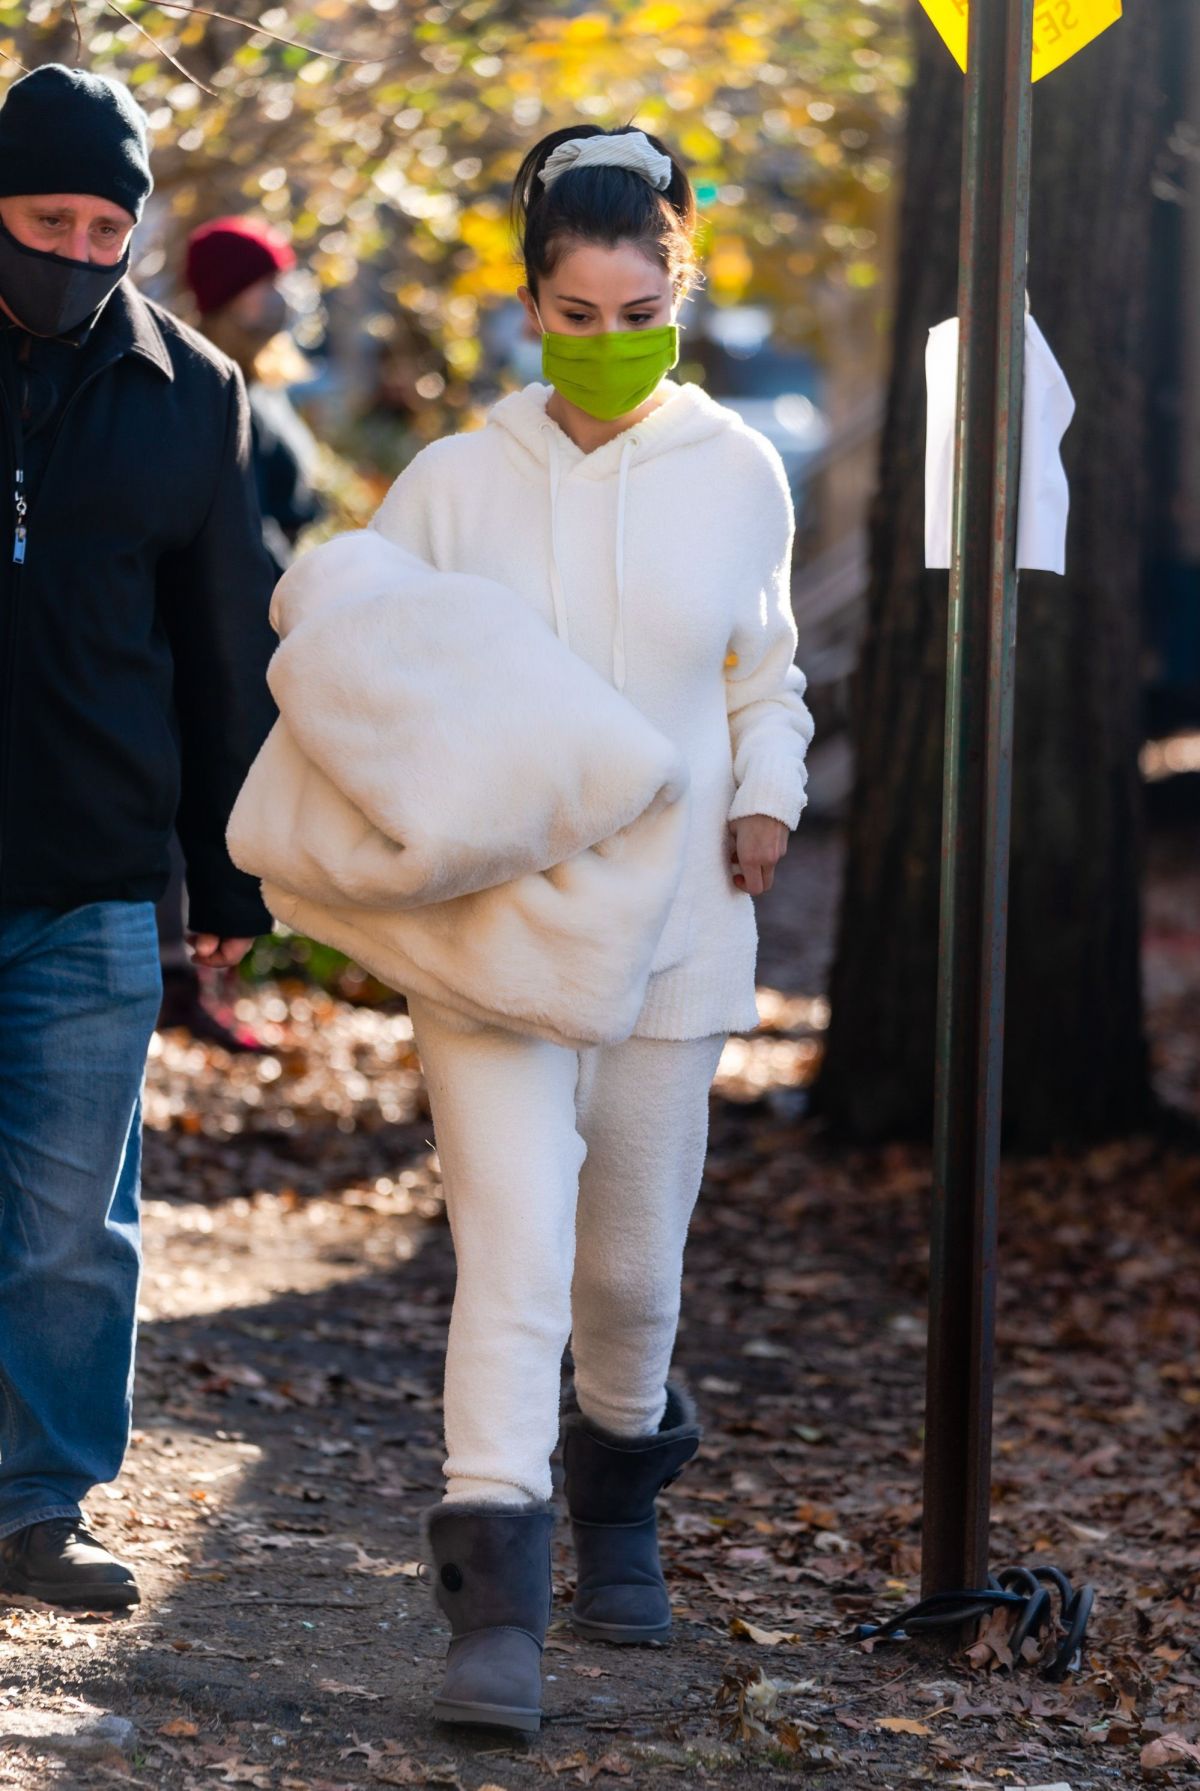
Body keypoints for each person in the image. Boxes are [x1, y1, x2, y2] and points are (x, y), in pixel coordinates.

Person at [233, 122, 813, 1733]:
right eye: (578, 312)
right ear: (532, 304)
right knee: (513, 1253)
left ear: (677, 290)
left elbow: (763, 673)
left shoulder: (738, 472)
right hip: (491, 938)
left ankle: (620, 1480)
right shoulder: (451, 484)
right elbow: (368, 680)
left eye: (643, 308)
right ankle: (494, 1593)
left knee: (629, 1269)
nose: (611, 340)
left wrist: (769, 787)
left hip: (682, 928)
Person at [0, 65, 277, 1609]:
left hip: (98, 882)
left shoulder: (193, 394)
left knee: (66, 1227)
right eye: (49, 220)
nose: (83, 253)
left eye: (111, 226)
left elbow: (222, 643)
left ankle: (42, 1502)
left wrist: (226, 870)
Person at [152, 215, 323, 1050]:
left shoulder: (271, 388)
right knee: (208, 789)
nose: (278, 299)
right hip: (226, 621)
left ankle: (214, 977)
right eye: (262, 283)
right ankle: (184, 977)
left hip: (277, 617)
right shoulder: (207, 390)